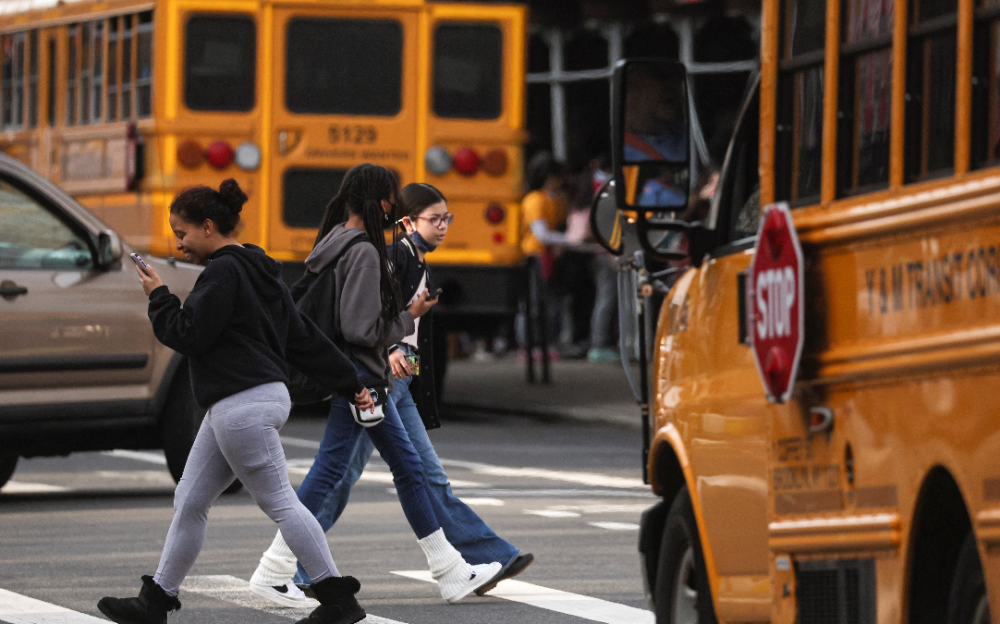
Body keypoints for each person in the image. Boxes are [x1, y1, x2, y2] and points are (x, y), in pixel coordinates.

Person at [97, 179, 374, 624]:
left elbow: (189, 334)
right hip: (249, 400)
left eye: (182, 233)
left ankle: (338, 599)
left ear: (208, 227)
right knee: (190, 499)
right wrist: (348, 381)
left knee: (280, 502)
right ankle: (155, 601)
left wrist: (159, 297)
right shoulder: (260, 269)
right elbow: (302, 338)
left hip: (241, 403)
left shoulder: (223, 273)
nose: (178, 243)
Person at [248, 165, 501, 607]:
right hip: (363, 379)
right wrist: (409, 317)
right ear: (373, 200)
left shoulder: (331, 241)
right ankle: (272, 569)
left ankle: (450, 570)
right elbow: (361, 328)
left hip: (353, 376)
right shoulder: (364, 251)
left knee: (393, 471)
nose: (391, 207)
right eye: (389, 199)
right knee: (363, 472)